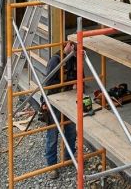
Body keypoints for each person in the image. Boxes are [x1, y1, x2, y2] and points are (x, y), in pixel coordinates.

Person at [42, 41, 77, 179]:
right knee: (52, 136)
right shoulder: (55, 60)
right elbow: (48, 83)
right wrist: (67, 82)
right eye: (74, 49)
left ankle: (69, 158)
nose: (75, 52)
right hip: (54, 101)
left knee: (71, 131)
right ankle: (52, 166)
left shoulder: (73, 59)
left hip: (68, 100)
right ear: (69, 45)